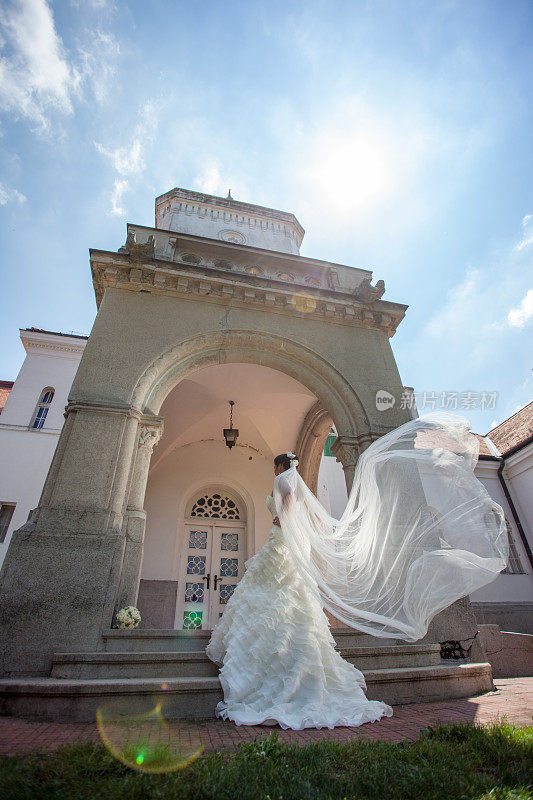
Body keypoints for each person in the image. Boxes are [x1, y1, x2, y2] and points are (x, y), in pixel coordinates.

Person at [205, 412, 509, 730]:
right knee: (288, 593)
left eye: (275, 465)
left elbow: (287, 512)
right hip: (289, 542)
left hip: (281, 539)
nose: (275, 469)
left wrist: (281, 524)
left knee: (272, 589)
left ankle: (264, 655)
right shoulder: (291, 480)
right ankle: (288, 650)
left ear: (280, 465)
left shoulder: (282, 481)